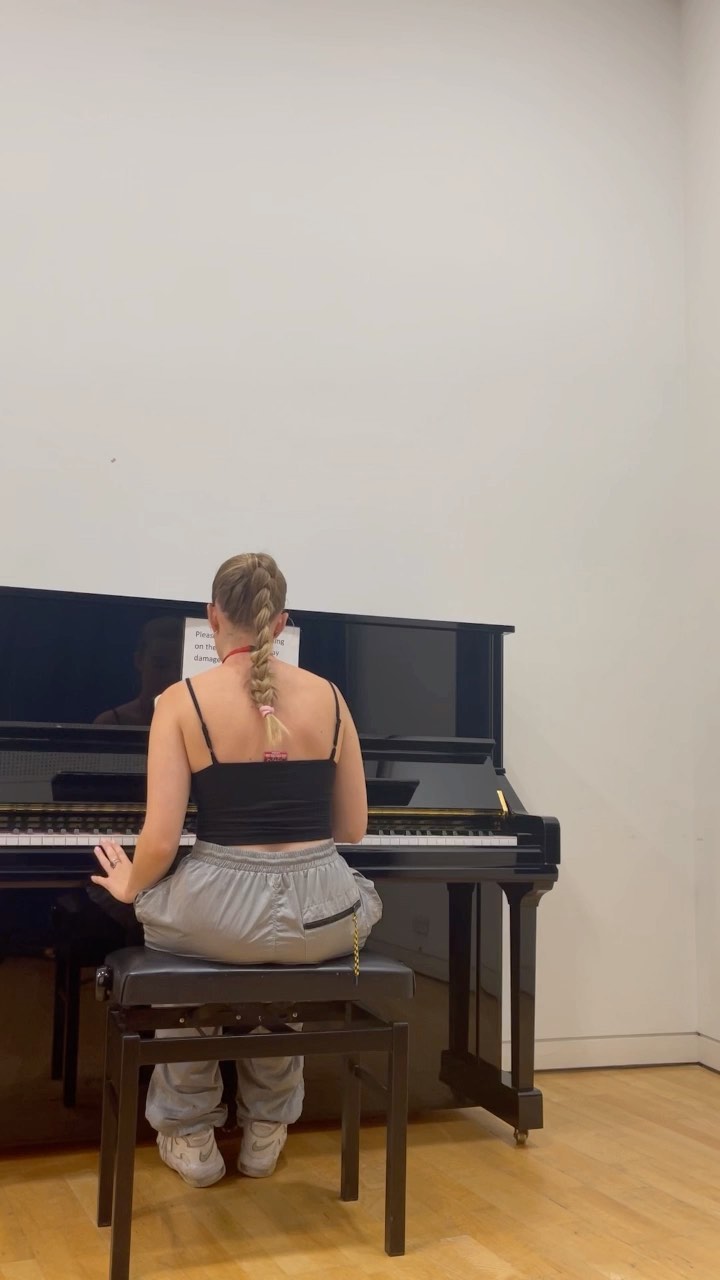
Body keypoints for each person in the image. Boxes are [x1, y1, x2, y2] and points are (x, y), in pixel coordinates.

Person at [90, 552, 381, 1188]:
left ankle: (191, 1133)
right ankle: (268, 1126)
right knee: (287, 952)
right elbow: (354, 829)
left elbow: (160, 839)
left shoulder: (180, 701)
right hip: (321, 912)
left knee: (178, 942)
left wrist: (130, 884)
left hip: (219, 908)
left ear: (212, 616)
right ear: (281, 622)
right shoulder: (331, 698)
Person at [94, 616, 183, 725]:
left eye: (179, 667)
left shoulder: (196, 723)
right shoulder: (110, 723)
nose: (171, 675)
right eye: (160, 665)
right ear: (139, 660)